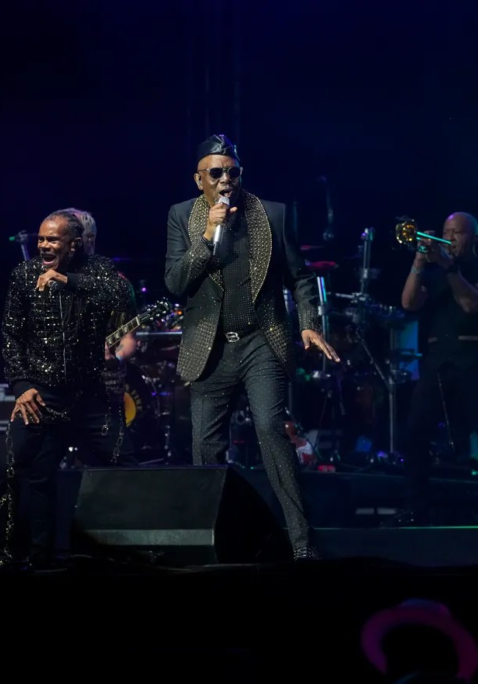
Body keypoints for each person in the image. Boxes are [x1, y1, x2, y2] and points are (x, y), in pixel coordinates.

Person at [164, 134, 339, 560]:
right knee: (205, 447)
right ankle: (214, 544)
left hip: (262, 338)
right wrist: (207, 235)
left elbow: (300, 276)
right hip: (211, 347)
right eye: (216, 173)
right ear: (199, 180)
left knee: (270, 429)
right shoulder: (181, 215)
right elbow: (175, 282)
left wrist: (308, 324)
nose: (225, 179)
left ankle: (302, 543)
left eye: (232, 172)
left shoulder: (273, 214)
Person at [0, 209, 136, 568]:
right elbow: (10, 335)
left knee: (124, 466)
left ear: (74, 244)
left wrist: (67, 281)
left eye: (52, 239)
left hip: (92, 394)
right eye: (41, 239)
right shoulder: (24, 276)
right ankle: (12, 555)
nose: (43, 245)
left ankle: (129, 553)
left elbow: (120, 295)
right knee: (14, 469)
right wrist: (21, 385)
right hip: (42, 395)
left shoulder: (100, 270)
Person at [387, 212, 478, 526]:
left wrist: (449, 267)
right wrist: (419, 262)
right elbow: (409, 302)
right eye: (446, 232)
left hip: (475, 360)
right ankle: (416, 506)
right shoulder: (435, 273)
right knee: (415, 432)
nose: (449, 238)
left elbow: (471, 303)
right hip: (437, 362)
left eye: (457, 233)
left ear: (474, 238)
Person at [60, 207, 139, 466]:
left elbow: (129, 339)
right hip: (58, 393)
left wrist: (115, 358)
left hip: (103, 392)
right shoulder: (46, 281)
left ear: (88, 239)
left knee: (119, 466)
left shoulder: (115, 283)